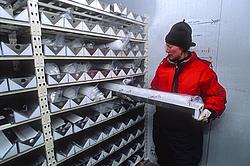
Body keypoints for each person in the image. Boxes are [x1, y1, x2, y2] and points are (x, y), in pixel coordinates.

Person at [151, 21, 227, 166]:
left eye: (170, 46)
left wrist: (210, 110)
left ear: (182, 47)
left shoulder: (201, 70)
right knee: (164, 160)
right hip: (162, 127)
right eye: (166, 45)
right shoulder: (163, 66)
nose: (166, 50)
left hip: (186, 131)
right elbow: (155, 88)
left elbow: (218, 96)